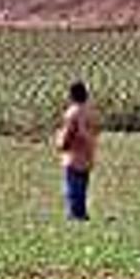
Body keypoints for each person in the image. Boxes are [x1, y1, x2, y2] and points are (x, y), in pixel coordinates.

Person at [55, 81, 99, 221]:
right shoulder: (90, 112)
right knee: (83, 186)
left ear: (71, 96)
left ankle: (75, 213)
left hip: (73, 155)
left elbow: (69, 133)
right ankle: (82, 211)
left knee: (73, 188)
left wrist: (61, 143)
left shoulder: (72, 113)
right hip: (88, 153)